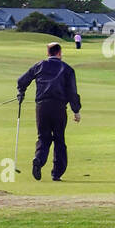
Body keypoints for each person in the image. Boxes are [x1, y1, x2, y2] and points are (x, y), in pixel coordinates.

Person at [16, 42, 82, 181]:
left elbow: (22, 80)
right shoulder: (67, 69)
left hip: (42, 107)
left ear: (48, 53)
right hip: (59, 108)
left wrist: (21, 92)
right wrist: (76, 111)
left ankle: (39, 160)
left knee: (43, 137)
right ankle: (56, 173)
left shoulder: (39, 65)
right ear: (59, 53)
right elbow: (72, 92)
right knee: (59, 139)